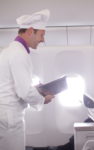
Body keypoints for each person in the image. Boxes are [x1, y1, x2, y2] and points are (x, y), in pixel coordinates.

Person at [0, 9, 54, 150]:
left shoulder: (9, 51)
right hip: (10, 118)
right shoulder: (19, 54)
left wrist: (36, 90)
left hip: (6, 115)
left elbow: (13, 85)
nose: (43, 40)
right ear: (30, 31)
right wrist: (43, 99)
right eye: (42, 35)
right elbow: (24, 92)